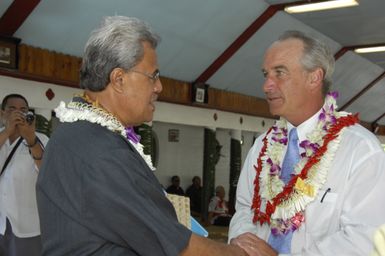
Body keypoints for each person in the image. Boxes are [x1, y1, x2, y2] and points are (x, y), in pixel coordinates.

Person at [36, 16, 261, 256]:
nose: (159, 87)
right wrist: (240, 253)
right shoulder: (101, 151)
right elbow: (175, 247)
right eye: (152, 76)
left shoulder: (76, 134)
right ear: (119, 79)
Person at [228, 30, 385, 255]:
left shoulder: (360, 151)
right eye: (266, 74)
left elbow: (365, 239)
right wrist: (244, 244)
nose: (266, 86)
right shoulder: (262, 147)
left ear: (314, 78)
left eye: (279, 73)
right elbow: (244, 208)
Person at [0, 94, 48, 256]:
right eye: (12, 109)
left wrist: (31, 139)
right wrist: (7, 132)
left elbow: (46, 172)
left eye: (23, 110)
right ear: (2, 113)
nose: (17, 114)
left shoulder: (41, 138)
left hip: (28, 224)